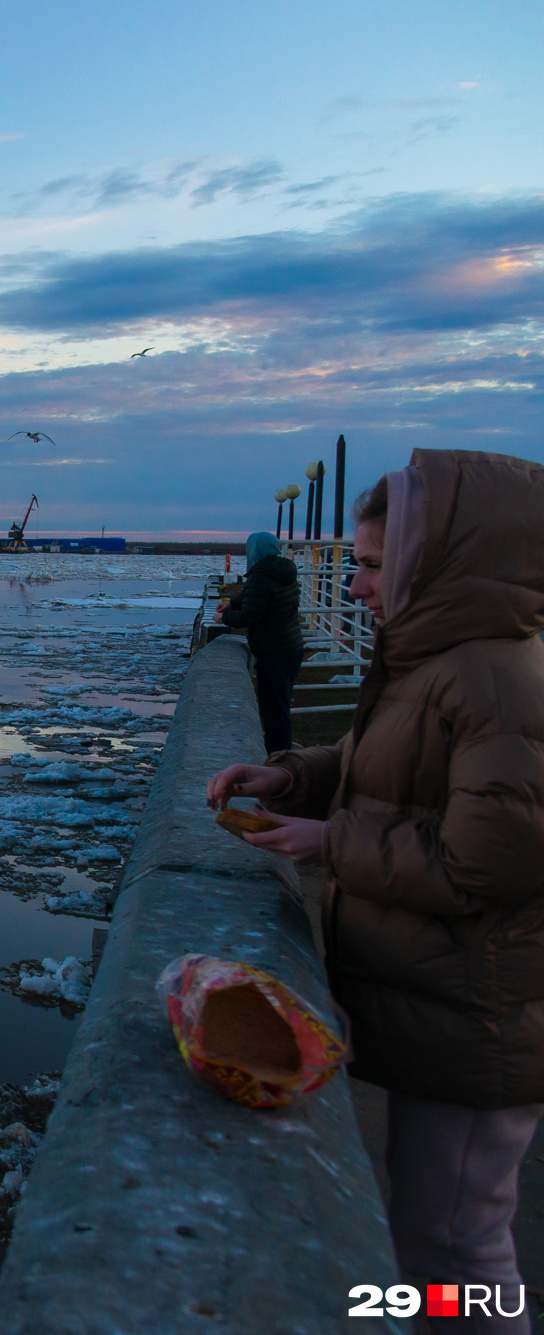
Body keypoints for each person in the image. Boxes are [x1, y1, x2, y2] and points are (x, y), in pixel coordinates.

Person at [206, 449, 544, 1332]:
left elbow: (489, 863)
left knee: (461, 1247)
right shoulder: (435, 662)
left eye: (368, 565)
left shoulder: (496, 682)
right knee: (431, 1236)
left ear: (440, 565)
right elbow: (381, 776)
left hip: (481, 1014)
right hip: (442, 998)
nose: (351, 586)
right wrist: (290, 777)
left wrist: (330, 841)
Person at [216, 531, 304, 753]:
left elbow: (251, 616)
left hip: (274, 651)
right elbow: (261, 598)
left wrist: (222, 618)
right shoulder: (283, 571)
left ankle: (278, 759)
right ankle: (281, 752)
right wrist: (233, 603)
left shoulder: (260, 576)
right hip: (292, 647)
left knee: (274, 710)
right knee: (281, 705)